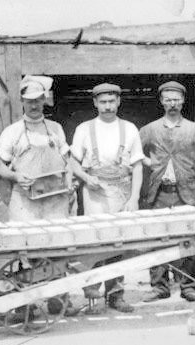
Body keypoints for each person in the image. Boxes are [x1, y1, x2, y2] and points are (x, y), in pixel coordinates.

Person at [0, 75, 77, 316]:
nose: (33, 105)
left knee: (56, 249)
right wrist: (15, 176)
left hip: (55, 200)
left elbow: (68, 160)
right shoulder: (12, 132)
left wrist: (70, 181)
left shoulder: (55, 129)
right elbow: (1, 167)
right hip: (24, 202)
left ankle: (58, 299)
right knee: (23, 251)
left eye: (38, 100)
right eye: (29, 100)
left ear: (44, 100)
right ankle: (24, 305)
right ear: (22, 101)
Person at [71, 83, 144, 313]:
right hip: (95, 193)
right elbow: (72, 162)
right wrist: (84, 176)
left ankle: (116, 295)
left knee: (118, 243)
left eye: (112, 101)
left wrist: (134, 198)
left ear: (119, 101)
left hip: (121, 191)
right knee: (95, 241)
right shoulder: (84, 129)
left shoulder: (130, 129)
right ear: (95, 103)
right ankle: (92, 293)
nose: (108, 107)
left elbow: (138, 167)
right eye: (103, 102)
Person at [140, 81, 195, 303]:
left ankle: (188, 286)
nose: (172, 104)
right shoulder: (150, 129)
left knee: (188, 237)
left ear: (183, 101)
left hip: (186, 193)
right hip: (158, 192)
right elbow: (133, 153)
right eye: (168, 99)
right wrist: (148, 163)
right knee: (158, 238)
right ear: (161, 101)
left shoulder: (194, 129)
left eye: (176, 99)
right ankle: (159, 286)